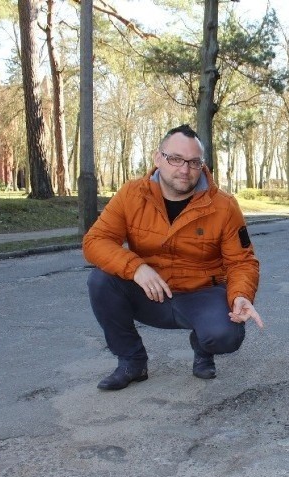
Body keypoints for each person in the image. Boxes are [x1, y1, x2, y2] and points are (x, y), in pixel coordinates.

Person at [83, 124, 263, 391]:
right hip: (149, 293)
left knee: (226, 335)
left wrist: (240, 295)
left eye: (193, 162)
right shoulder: (131, 195)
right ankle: (132, 362)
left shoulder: (224, 205)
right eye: (175, 159)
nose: (185, 169)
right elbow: (94, 241)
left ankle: (203, 347)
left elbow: (242, 260)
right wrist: (136, 268)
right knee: (100, 280)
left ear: (202, 164)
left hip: (200, 295)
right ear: (158, 158)